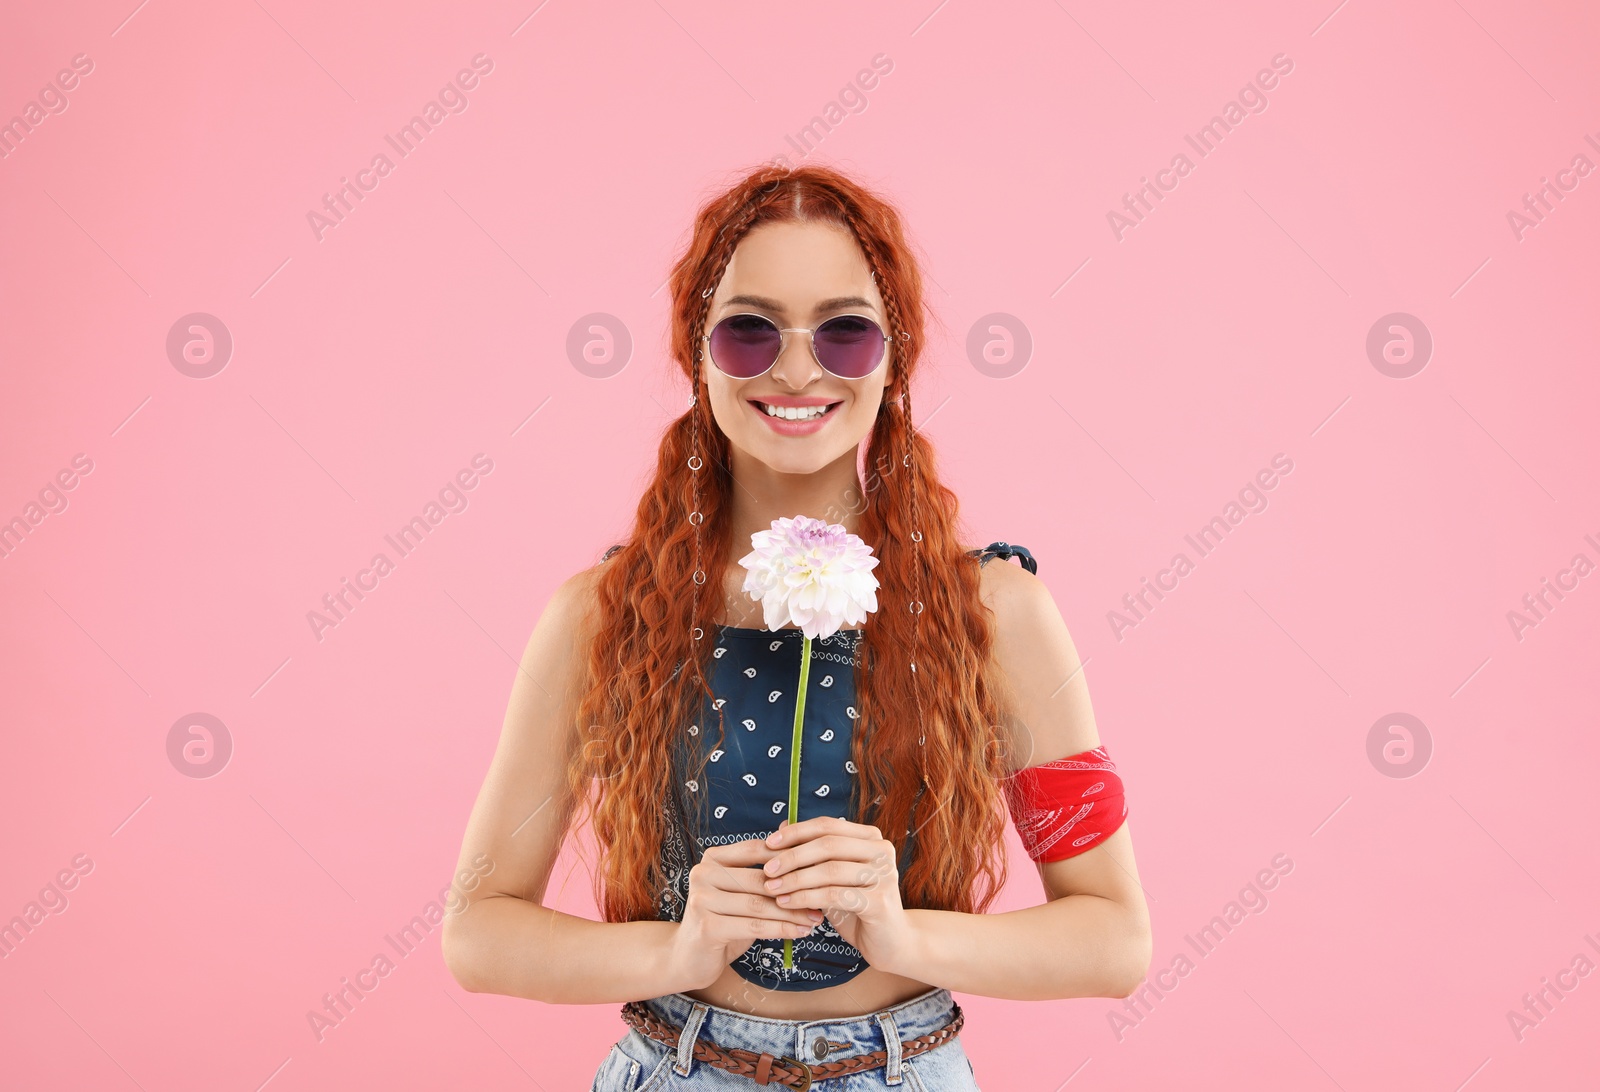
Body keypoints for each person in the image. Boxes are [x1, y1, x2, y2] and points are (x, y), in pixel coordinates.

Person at [442, 163, 1152, 1090]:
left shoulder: (995, 614)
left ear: (894, 357)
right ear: (697, 351)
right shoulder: (598, 618)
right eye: (750, 329)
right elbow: (477, 928)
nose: (798, 366)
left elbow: (1113, 938)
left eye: (845, 331)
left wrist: (903, 934)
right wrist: (676, 952)